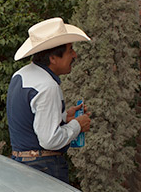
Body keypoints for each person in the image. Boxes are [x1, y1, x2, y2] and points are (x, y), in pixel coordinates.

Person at [7, 17, 92, 183]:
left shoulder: (21, 75)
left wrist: (63, 118)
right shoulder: (47, 86)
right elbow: (49, 140)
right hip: (43, 167)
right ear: (53, 58)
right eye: (70, 50)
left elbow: (32, 121)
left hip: (22, 163)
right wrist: (77, 125)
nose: (74, 55)